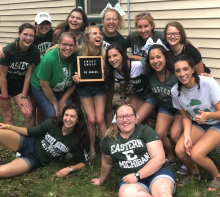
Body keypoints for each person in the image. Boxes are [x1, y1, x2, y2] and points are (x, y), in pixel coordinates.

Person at [92, 104, 175, 197]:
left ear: (135, 118)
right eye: (121, 117)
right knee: (126, 194)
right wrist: (101, 180)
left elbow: (159, 158)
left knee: (162, 192)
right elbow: (107, 162)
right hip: (128, 177)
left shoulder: (146, 131)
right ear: (116, 120)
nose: (125, 119)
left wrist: (137, 175)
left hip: (157, 172)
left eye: (129, 116)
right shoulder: (108, 138)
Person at [0, 104, 89, 178]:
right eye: (66, 115)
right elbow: (30, 132)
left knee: (2, 172)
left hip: (34, 159)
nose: (68, 119)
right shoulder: (52, 123)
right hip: (27, 143)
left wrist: (69, 169)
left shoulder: (76, 139)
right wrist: (8, 127)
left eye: (72, 116)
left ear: (78, 120)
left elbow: (84, 162)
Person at [171, 55, 220, 191]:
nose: (182, 74)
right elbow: (186, 117)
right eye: (178, 71)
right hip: (199, 123)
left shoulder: (207, 83)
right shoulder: (175, 91)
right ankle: (195, 173)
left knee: (197, 154)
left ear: (193, 69)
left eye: (185, 69)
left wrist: (208, 115)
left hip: (216, 122)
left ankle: (217, 176)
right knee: (180, 150)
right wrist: (187, 136)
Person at [145, 38, 183, 168]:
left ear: (165, 57)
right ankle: (171, 157)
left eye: (158, 57)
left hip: (180, 108)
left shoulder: (175, 73)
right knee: (159, 134)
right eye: (151, 58)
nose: (155, 61)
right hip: (165, 107)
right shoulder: (150, 74)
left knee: (175, 135)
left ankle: (186, 161)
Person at [72, 26, 107, 160]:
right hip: (84, 89)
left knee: (100, 119)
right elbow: (75, 74)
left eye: (100, 33)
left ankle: (105, 149)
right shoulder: (79, 53)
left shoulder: (104, 54)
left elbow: (110, 74)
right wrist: (76, 78)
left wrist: (106, 74)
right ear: (87, 38)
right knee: (91, 120)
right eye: (94, 34)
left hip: (100, 88)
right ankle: (91, 148)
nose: (99, 35)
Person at [0, 23, 40, 128]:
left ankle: (29, 141)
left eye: (31, 36)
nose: (28, 38)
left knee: (28, 113)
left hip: (19, 85)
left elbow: (28, 75)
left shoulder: (35, 51)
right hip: (4, 85)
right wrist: (5, 97)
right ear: (19, 34)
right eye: (25, 34)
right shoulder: (8, 51)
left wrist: (23, 96)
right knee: (8, 118)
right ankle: (14, 142)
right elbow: (2, 75)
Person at [105, 43, 156, 124]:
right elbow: (122, 82)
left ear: (122, 55)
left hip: (151, 95)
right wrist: (123, 101)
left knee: (134, 121)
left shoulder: (137, 66)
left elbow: (152, 68)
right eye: (109, 57)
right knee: (126, 117)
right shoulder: (114, 71)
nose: (112, 59)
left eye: (115, 55)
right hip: (137, 94)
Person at [31, 32, 77, 119]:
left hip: (62, 87)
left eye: (71, 45)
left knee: (68, 112)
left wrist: (63, 100)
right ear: (59, 44)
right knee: (53, 115)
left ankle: (66, 132)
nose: (68, 48)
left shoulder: (76, 56)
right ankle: (49, 132)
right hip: (42, 87)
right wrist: (55, 103)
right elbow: (45, 86)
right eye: (64, 44)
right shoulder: (48, 59)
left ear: (75, 46)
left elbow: (75, 82)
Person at [101, 3, 127, 128]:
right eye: (108, 19)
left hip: (109, 78)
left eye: (114, 19)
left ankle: (110, 134)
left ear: (118, 21)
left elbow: (123, 70)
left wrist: (122, 95)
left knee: (108, 107)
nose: (111, 22)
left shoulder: (122, 41)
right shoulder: (96, 35)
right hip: (91, 78)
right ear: (103, 21)